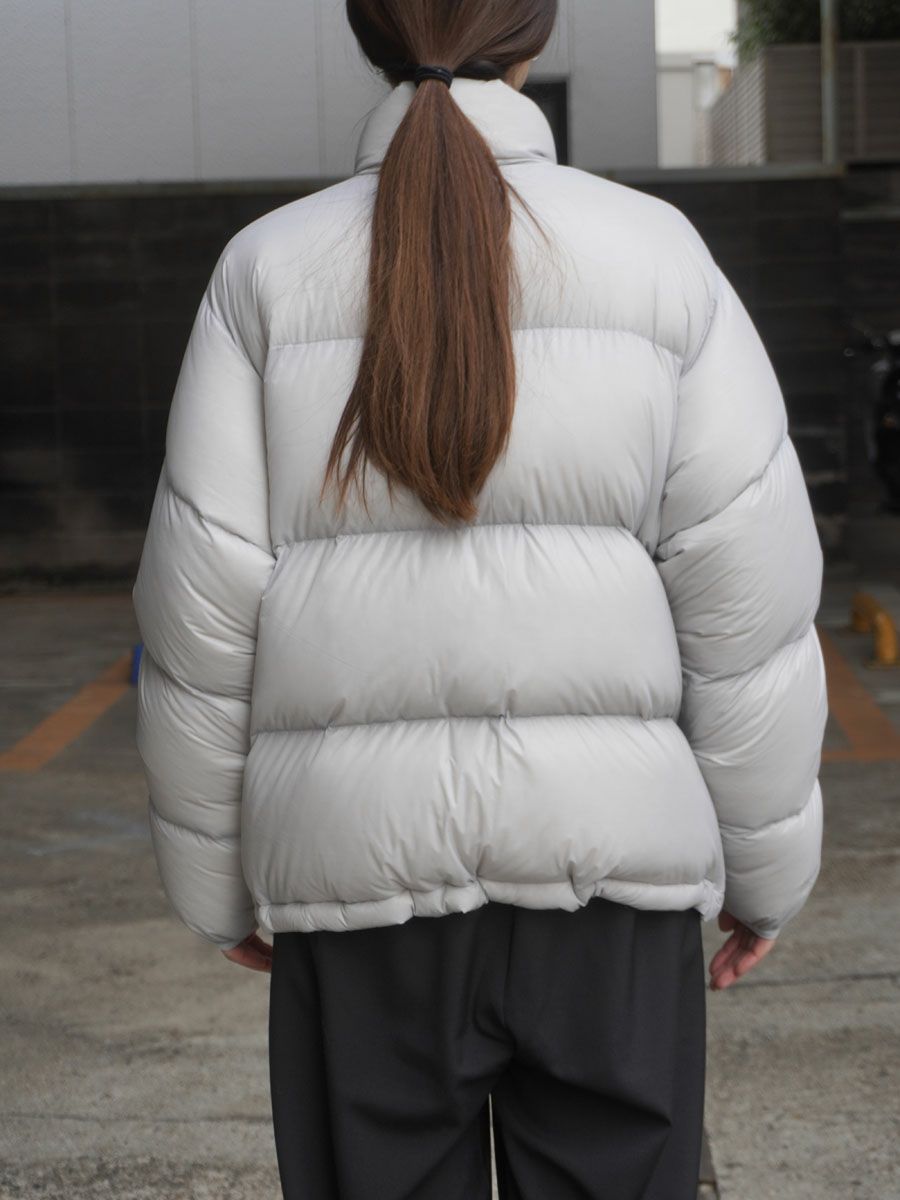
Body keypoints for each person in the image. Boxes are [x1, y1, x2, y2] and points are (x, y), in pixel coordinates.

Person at [132, 1, 829, 1196]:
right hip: (611, 886)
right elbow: (746, 604)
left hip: (357, 889)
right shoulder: (658, 254)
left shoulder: (264, 270)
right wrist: (767, 871)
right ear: (533, 35)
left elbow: (200, 615)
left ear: (371, 34)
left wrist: (215, 884)